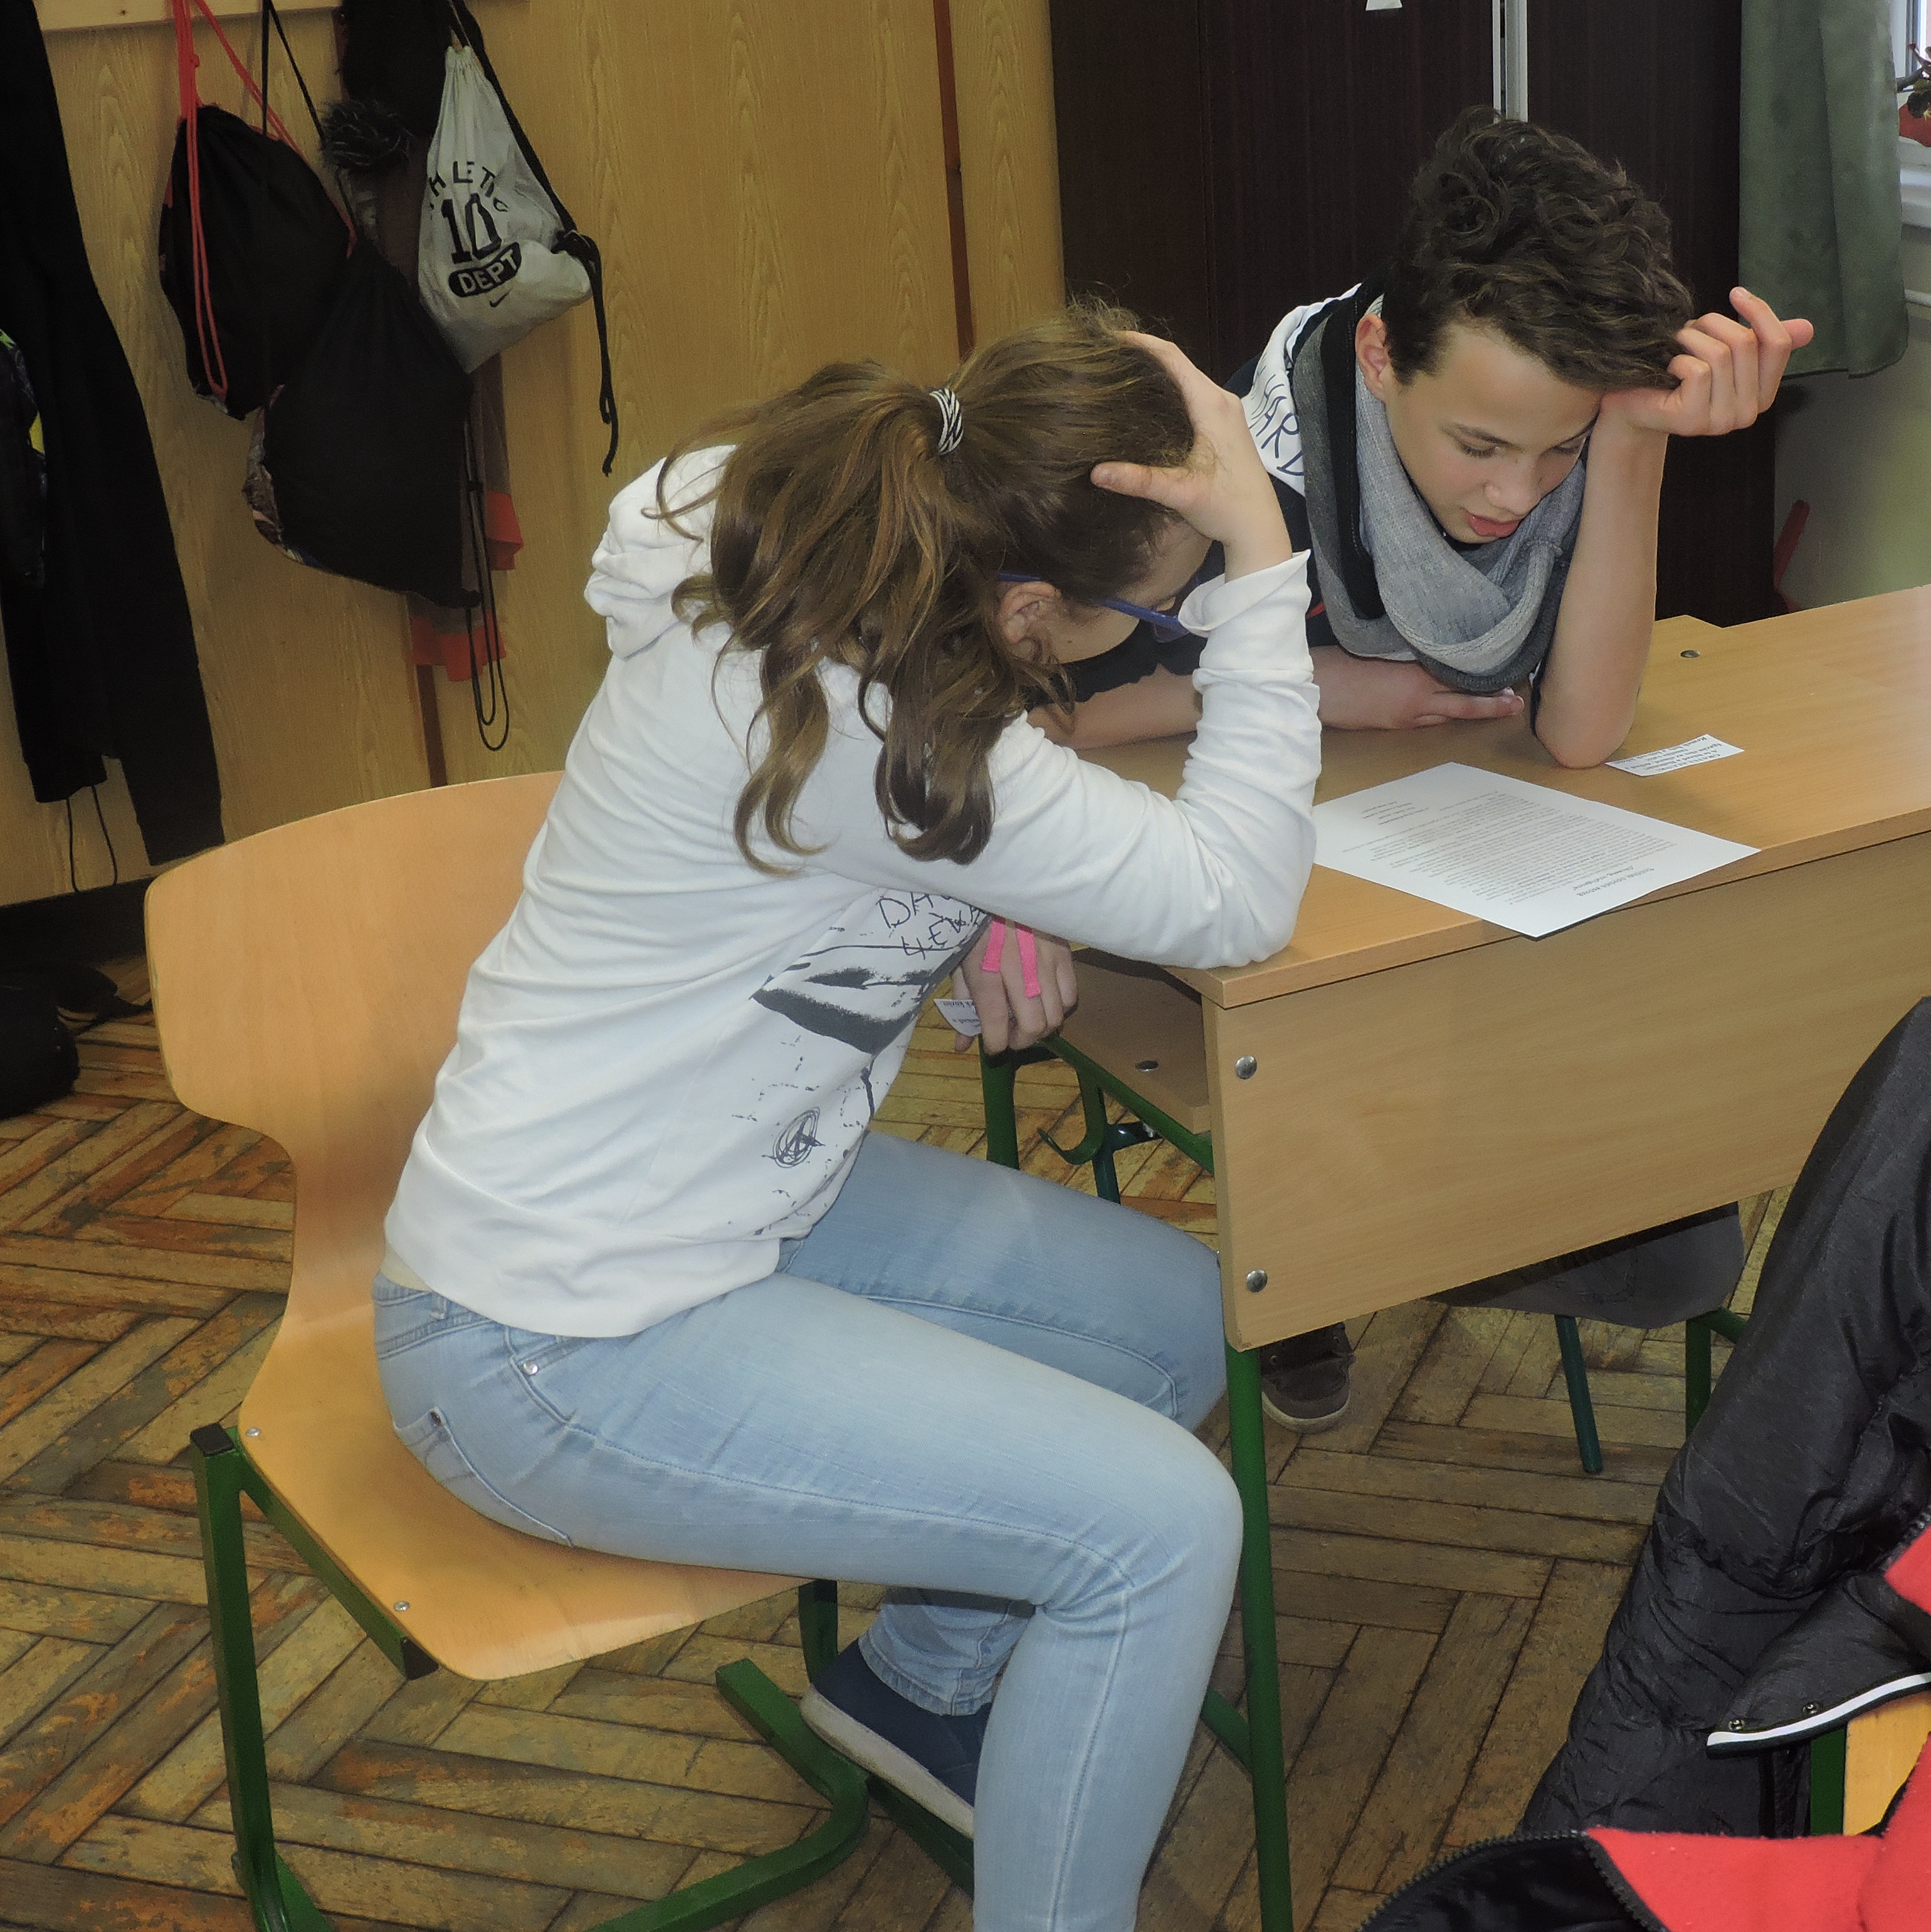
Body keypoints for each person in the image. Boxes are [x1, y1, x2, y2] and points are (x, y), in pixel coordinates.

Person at [371, 305, 1318, 1932]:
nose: (1164, 633)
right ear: (1029, 609)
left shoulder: (814, 568)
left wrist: (992, 894)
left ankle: (920, 1688)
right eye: (1161, 611)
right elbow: (1236, 896)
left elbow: (886, 841)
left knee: (1182, 1323)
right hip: (546, 1339)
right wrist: (1265, 572)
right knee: (1161, 1534)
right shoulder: (890, 726)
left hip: (727, 1204)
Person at [1047, 107, 1812, 1429]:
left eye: (1559, 449)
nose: (1517, 496)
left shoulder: (1570, 420)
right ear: (1381, 354)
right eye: (1480, 447)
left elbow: (1580, 731)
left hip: (1460, 869)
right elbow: (1050, 714)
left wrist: (1632, 445)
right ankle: (1318, 1262)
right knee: (1350, 1105)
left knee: (1676, 1259)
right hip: (1267, 882)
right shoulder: (1234, 464)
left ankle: (1379, 1241)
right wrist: (1325, 684)